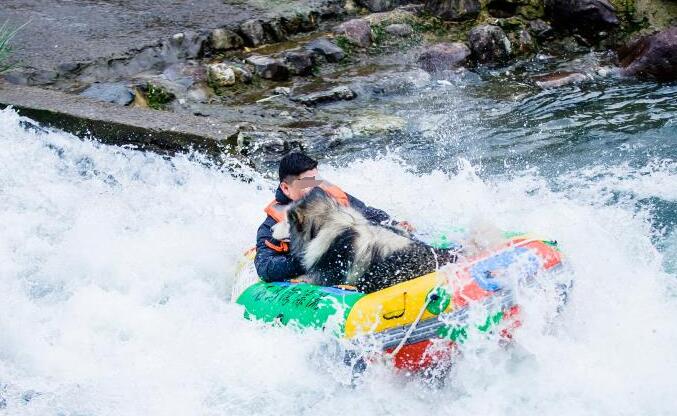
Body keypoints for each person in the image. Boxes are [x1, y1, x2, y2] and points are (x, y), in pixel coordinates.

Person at [254, 152, 414, 282]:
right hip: (316, 272)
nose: (314, 188)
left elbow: (369, 213)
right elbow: (265, 267)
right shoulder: (272, 225)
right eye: (306, 183)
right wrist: (315, 257)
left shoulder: (331, 198)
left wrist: (395, 224)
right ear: (286, 188)